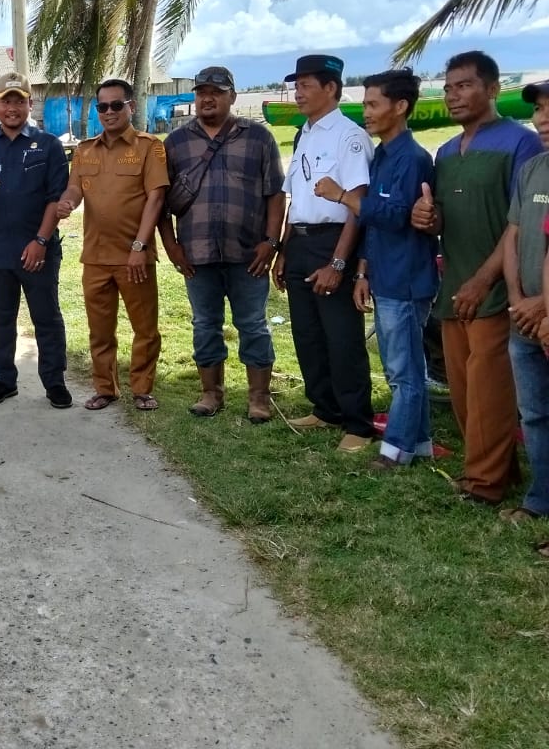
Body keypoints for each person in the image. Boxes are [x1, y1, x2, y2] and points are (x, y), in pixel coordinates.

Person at [412, 51, 541, 506]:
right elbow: (445, 218)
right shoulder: (446, 151)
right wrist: (427, 217)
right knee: (465, 394)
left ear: (492, 89)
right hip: (454, 287)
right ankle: (493, 470)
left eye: (464, 85)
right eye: (448, 88)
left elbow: (518, 224)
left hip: (497, 288)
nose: (454, 96)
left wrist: (484, 281)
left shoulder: (521, 144)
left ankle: (484, 485)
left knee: (490, 391)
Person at [313, 69, 438, 469]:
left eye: (373, 104)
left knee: (403, 371)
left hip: (406, 277)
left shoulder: (413, 159)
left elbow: (396, 215)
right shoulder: (382, 153)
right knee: (401, 366)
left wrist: (342, 196)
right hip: (383, 274)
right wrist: (363, 272)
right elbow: (372, 227)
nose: (365, 111)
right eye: (364, 103)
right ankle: (417, 443)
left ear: (399, 107)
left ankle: (395, 450)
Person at [159, 66, 284, 422]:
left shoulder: (259, 138)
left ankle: (258, 397)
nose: (207, 98)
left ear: (232, 95)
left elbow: (275, 194)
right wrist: (172, 247)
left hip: (249, 254)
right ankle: (211, 393)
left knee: (253, 324)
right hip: (196, 255)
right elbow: (159, 201)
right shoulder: (176, 143)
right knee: (204, 324)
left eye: (215, 92)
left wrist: (271, 243)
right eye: (201, 92)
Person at [271, 54, 377, 452]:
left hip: (333, 242)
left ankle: (358, 422)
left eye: (305, 85)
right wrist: (283, 249)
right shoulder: (305, 133)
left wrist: (338, 263)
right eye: (295, 85)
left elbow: (357, 203)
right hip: (299, 240)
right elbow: (296, 196)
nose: (297, 93)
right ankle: (326, 408)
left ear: (330, 88)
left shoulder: (348, 137)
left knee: (341, 337)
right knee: (307, 333)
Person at [0, 71, 72, 408]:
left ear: (29, 104)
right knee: (1, 321)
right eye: (6, 101)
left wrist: (40, 241)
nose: (12, 107)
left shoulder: (48, 145)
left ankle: (55, 383)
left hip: (38, 250)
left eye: (19, 100)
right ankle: (4, 380)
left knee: (47, 318)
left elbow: (55, 197)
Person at [57, 77, 168, 411]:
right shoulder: (84, 150)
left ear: (131, 107)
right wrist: (67, 202)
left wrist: (139, 247)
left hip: (134, 257)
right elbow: (75, 189)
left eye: (116, 105)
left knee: (145, 329)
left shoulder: (150, 147)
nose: (109, 112)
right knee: (100, 329)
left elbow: (156, 197)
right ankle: (105, 388)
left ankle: (142, 389)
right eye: (102, 106)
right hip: (95, 257)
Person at [504, 82, 549, 543]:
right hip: (525, 316)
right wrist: (518, 297)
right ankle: (540, 499)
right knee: (534, 413)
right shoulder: (533, 167)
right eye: (538, 109)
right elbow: (514, 235)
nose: (543, 118)